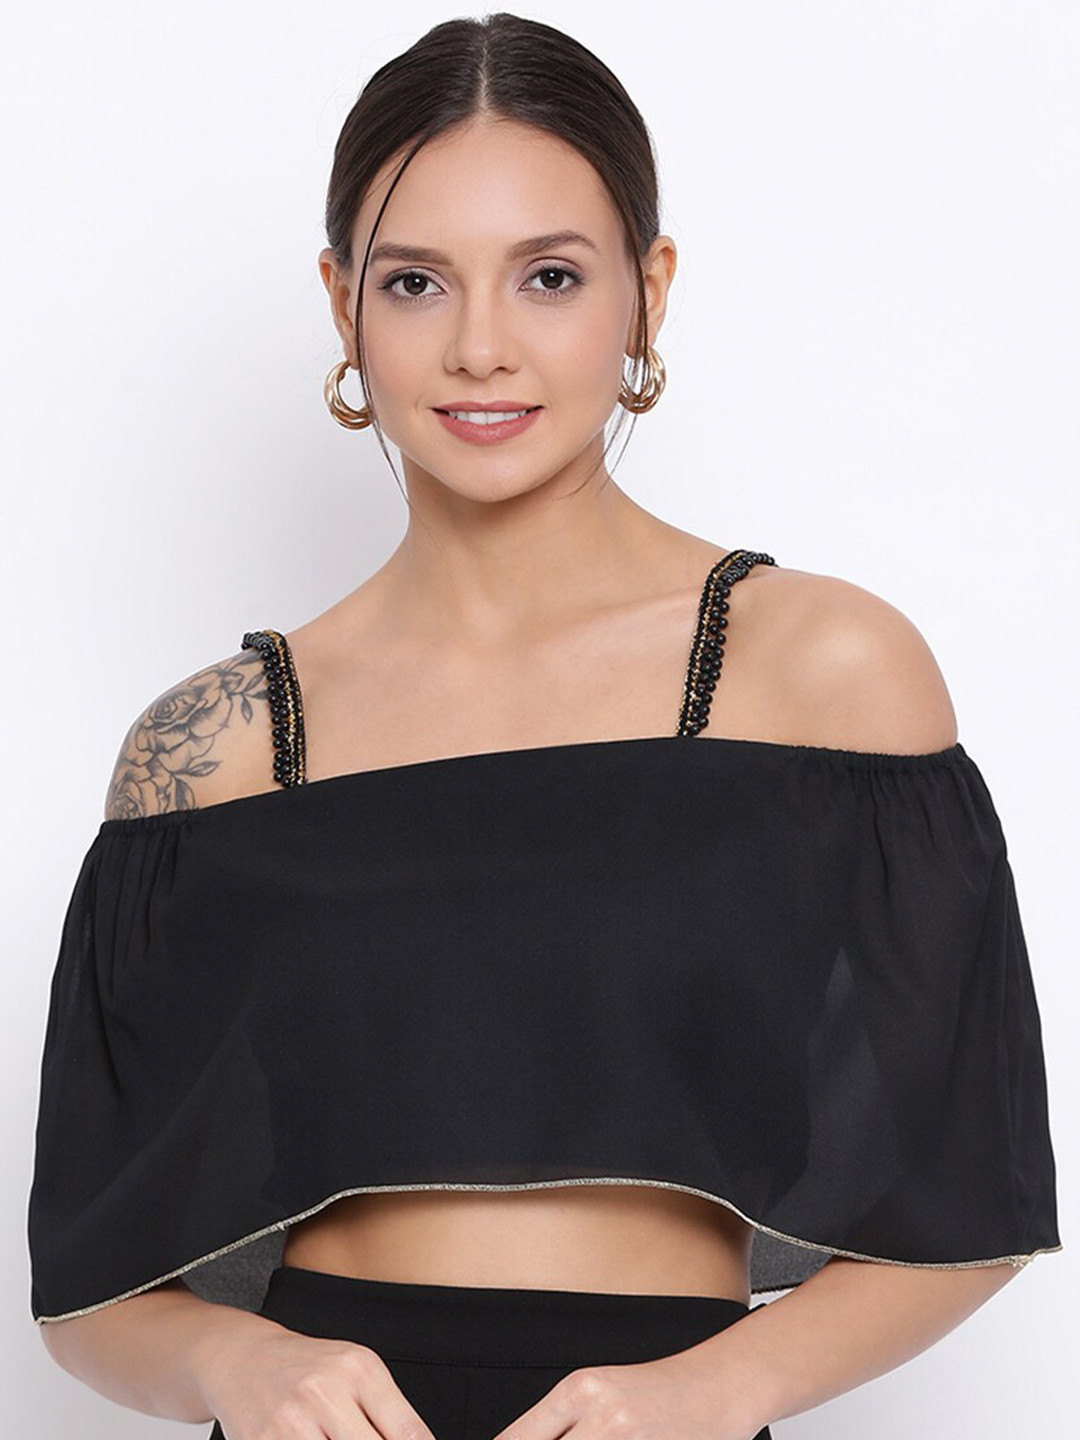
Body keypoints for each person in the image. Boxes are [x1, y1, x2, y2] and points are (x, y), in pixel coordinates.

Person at [27, 12, 1061, 1440]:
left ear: (648, 291)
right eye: (415, 282)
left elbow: (969, 1193)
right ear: (342, 304)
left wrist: (716, 1387)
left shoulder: (821, 675)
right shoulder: (218, 749)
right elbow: (90, 1287)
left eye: (550, 277)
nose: (480, 348)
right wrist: (234, 1365)